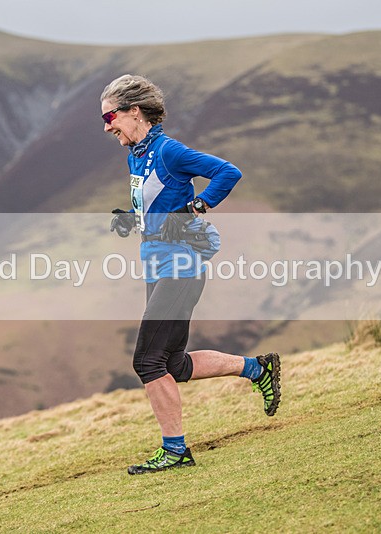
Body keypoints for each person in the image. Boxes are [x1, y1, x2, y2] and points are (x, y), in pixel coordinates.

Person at [101, 74, 281, 475]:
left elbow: (227, 172)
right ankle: (259, 369)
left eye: (111, 115)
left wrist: (199, 207)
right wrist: (133, 219)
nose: (108, 125)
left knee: (147, 361)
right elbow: (159, 200)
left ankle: (175, 450)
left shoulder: (168, 151)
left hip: (180, 263)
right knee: (174, 364)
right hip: (157, 262)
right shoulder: (135, 154)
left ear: (134, 112)